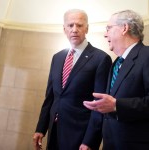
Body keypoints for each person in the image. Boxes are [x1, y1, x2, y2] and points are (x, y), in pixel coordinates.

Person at [33, 9, 112, 150]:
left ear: (87, 28)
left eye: (79, 25)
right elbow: (50, 97)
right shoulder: (57, 57)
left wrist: (90, 141)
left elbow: (99, 106)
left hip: (80, 136)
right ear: (64, 29)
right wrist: (40, 128)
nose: (74, 30)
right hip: (54, 131)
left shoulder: (101, 59)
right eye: (70, 26)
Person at [83, 9, 149, 150]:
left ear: (124, 28)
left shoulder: (147, 56)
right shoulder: (116, 63)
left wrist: (117, 105)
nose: (105, 34)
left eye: (108, 28)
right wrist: (90, 142)